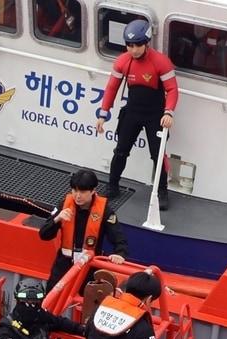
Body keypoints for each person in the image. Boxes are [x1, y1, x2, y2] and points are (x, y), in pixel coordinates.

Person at [95, 19, 178, 202]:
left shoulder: (161, 62)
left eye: (138, 45)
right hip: (132, 112)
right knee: (120, 151)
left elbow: (172, 89)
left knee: (157, 155)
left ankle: (162, 191)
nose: (133, 50)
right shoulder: (123, 61)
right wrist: (103, 114)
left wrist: (168, 112)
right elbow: (112, 88)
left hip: (155, 116)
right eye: (129, 45)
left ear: (146, 42)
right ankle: (113, 186)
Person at [39, 168, 129, 291]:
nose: (78, 195)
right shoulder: (64, 205)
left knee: (87, 299)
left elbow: (119, 239)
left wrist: (119, 254)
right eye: (74, 190)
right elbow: (43, 234)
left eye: (82, 191)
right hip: (63, 266)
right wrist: (57, 219)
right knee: (50, 297)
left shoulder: (105, 211)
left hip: (89, 269)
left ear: (93, 191)